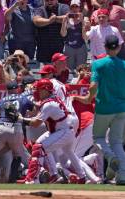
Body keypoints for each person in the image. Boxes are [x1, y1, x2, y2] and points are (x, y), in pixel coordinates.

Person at [73, 35, 125, 185]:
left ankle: (109, 156)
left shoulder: (98, 64)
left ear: (105, 47)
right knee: (117, 142)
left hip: (104, 108)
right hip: (122, 108)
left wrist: (89, 98)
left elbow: (93, 85)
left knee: (98, 138)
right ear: (119, 47)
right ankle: (122, 175)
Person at [18, 78, 86, 184]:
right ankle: (81, 177)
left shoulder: (49, 104)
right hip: (63, 129)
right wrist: (32, 104)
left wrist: (20, 119)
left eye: (39, 89)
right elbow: (42, 106)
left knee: (39, 148)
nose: (37, 92)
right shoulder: (51, 99)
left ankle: (32, 179)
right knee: (66, 151)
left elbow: (36, 123)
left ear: (45, 90)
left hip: (63, 131)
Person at [60, 0, 87, 71]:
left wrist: (82, 21)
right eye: (72, 7)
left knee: (81, 69)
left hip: (81, 46)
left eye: (76, 6)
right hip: (69, 47)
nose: (74, 9)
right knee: (69, 69)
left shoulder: (85, 18)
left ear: (79, 8)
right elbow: (63, 34)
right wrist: (64, 22)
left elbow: (86, 37)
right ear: (70, 8)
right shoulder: (67, 19)